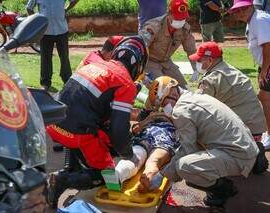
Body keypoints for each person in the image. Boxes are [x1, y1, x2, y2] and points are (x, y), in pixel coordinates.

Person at [44, 36, 148, 208]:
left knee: (90, 147)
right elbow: (118, 130)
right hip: (78, 133)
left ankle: (62, 182)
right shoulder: (125, 83)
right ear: (138, 65)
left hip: (55, 124)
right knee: (108, 176)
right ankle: (64, 180)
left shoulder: (93, 64)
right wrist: (128, 154)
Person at [147, 76, 267, 207]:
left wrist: (162, 175)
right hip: (244, 147)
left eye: (164, 104)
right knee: (190, 161)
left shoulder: (181, 111)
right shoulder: (195, 96)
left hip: (239, 156)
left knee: (185, 167)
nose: (165, 109)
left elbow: (188, 150)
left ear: (172, 93)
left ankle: (223, 190)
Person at [190, 42, 267, 149]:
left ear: (210, 60)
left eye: (199, 60)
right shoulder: (229, 69)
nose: (196, 63)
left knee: (198, 131)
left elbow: (197, 107)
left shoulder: (211, 79)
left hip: (241, 133)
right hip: (257, 129)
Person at [229, 0, 270, 149]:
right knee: (264, 98)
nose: (240, 12)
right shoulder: (253, 20)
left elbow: (268, 46)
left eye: (244, 8)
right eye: (238, 10)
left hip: (269, 65)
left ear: (251, 6)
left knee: (264, 98)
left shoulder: (259, 20)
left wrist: (264, 70)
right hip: (266, 64)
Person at [138, 0, 198, 88]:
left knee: (183, 88)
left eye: (183, 18)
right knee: (162, 90)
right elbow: (140, 49)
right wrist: (142, 74)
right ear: (169, 14)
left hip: (166, 62)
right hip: (150, 62)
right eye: (177, 18)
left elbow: (191, 50)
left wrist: (196, 68)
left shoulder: (185, 29)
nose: (180, 21)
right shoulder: (154, 26)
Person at [29, 0, 79, 91]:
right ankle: (45, 83)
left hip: (61, 30)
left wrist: (66, 9)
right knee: (45, 58)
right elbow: (29, 8)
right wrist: (36, 22)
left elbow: (74, 1)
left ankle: (67, 79)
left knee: (64, 57)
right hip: (45, 31)